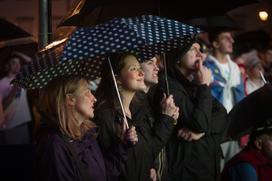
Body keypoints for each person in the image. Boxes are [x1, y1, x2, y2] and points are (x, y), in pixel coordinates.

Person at [94, 52, 179, 181]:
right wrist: (122, 145)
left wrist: (167, 118)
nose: (141, 73)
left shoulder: (138, 110)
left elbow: (149, 151)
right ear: (117, 79)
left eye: (140, 67)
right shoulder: (105, 116)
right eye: (133, 69)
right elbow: (108, 169)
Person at [35, 75, 137, 181]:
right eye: (87, 92)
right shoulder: (54, 145)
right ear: (70, 99)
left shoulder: (86, 134)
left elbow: (104, 174)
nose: (94, 98)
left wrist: (123, 145)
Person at [156, 38, 228, 181]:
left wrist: (200, 133)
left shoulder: (193, 83)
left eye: (200, 50)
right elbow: (199, 123)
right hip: (187, 171)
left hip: (206, 168)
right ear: (177, 57)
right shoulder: (169, 85)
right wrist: (203, 86)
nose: (200, 54)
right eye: (193, 49)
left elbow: (222, 115)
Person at [204, 29, 245, 168]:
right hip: (214, 127)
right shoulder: (206, 66)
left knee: (233, 168)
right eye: (226, 38)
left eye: (231, 38)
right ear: (215, 43)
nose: (231, 41)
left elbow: (241, 97)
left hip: (233, 126)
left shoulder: (235, 68)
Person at [0, 52, 32, 144]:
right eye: (14, 63)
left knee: (25, 154)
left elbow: (32, 62)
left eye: (19, 63)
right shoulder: (2, 83)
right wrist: (14, 90)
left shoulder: (21, 78)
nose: (17, 65)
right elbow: (3, 106)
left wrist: (19, 54)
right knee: (13, 155)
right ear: (7, 66)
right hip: (10, 125)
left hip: (23, 122)